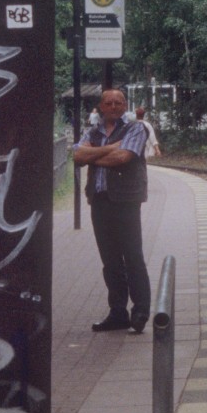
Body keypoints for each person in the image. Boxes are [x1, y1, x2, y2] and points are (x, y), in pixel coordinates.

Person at [73, 87, 151, 333]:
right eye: (110, 102)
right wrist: (109, 148)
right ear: (102, 107)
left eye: (119, 102)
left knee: (133, 256)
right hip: (99, 201)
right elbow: (76, 155)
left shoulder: (136, 128)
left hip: (126, 201)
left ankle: (140, 311)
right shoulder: (93, 131)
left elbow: (123, 158)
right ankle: (118, 312)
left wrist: (91, 157)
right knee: (110, 260)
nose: (115, 106)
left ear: (125, 105)